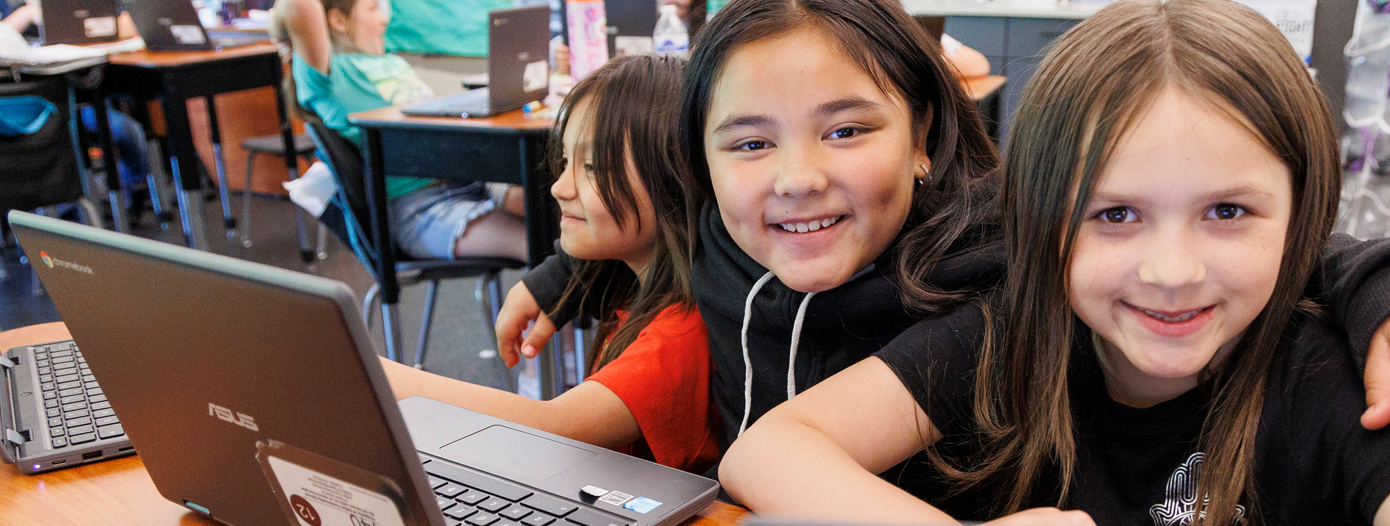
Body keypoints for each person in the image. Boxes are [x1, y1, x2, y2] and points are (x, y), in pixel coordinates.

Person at [719, 1, 1390, 524]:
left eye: (1227, 212)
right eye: (1115, 215)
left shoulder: (1327, 377)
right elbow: (766, 450)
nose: (1172, 271)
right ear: (1040, 223)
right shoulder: (1010, 332)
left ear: (1302, 211)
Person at [499, 0, 1004, 475]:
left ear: (920, 136)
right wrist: (557, 280)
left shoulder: (986, 292)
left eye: (845, 131)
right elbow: (655, 214)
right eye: (752, 143)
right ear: (702, 164)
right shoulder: (720, 229)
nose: (798, 179)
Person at [382, 55, 717, 472]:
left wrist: (382, 380)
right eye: (565, 162)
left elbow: (554, 428)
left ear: (674, 181)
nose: (560, 187)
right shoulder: (635, 285)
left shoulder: (681, 332)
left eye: (593, 166)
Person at [274, 0, 528, 261]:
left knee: (557, 217)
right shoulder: (327, 79)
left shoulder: (391, 62)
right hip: (424, 208)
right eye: (373, 8)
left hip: (470, 180)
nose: (385, 19)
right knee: (540, 244)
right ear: (339, 21)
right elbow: (300, 5)